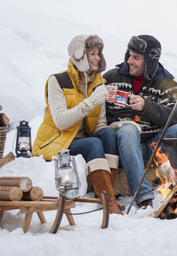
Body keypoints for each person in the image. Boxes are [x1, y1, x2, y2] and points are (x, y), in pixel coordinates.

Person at [32, 34, 123, 215]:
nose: (97, 58)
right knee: (94, 143)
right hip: (59, 140)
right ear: (80, 56)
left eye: (98, 53)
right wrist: (91, 102)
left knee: (107, 134)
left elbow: (100, 124)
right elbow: (61, 121)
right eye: (92, 53)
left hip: (83, 140)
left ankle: (106, 194)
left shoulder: (98, 83)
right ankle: (108, 200)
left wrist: (117, 126)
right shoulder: (57, 81)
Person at [103, 35, 177, 209]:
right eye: (129, 55)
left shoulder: (166, 82)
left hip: (151, 148)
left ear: (150, 61)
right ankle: (143, 196)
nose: (130, 61)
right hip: (121, 148)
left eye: (136, 57)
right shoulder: (111, 78)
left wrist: (147, 107)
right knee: (128, 130)